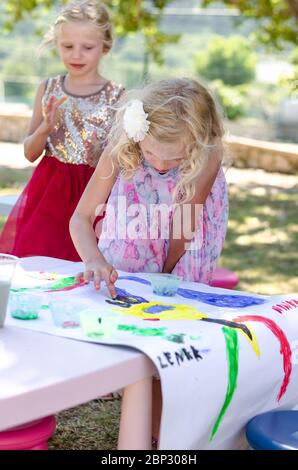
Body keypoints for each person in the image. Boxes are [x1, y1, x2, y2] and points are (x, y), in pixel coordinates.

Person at [70, 77, 229, 297]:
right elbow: (81, 217)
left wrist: (163, 278)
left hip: (180, 258)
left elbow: (184, 229)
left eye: (176, 159)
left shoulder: (207, 154)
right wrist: (94, 259)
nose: (161, 165)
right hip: (127, 257)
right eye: (150, 153)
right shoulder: (122, 147)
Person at [0, 0, 124, 261]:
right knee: (40, 263)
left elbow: (120, 158)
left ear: (105, 46)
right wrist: (46, 128)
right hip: (49, 195)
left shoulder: (117, 96)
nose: (76, 55)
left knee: (86, 267)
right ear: (56, 44)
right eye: (67, 46)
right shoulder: (48, 89)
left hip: (93, 195)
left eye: (87, 47)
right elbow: (29, 153)